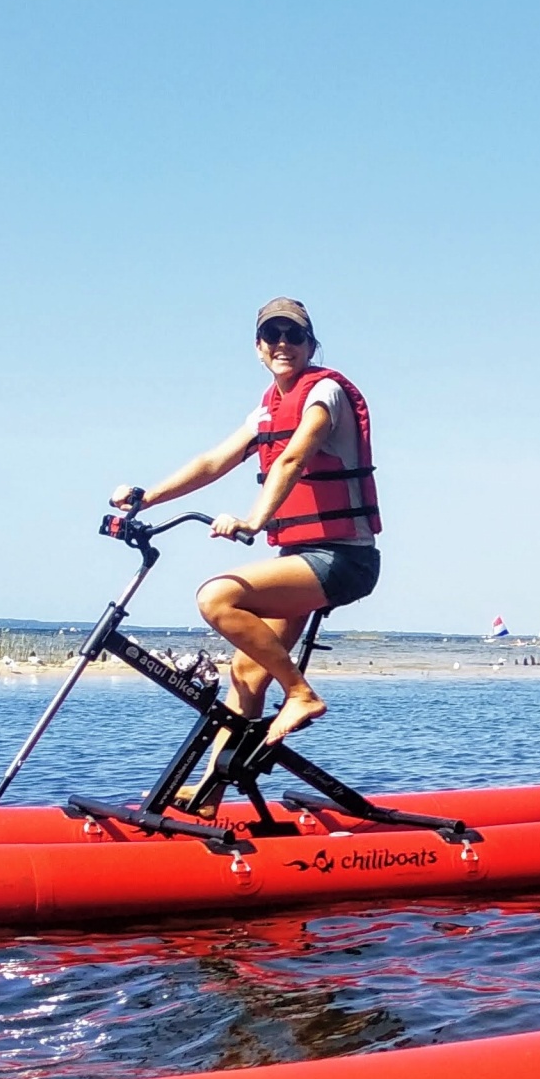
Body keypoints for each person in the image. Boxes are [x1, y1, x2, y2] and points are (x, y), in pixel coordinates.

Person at [111, 298, 381, 745]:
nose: (282, 344)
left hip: (344, 557)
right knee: (245, 674)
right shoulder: (267, 411)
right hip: (299, 555)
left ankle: (300, 694)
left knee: (217, 596)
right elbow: (214, 461)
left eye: (294, 335)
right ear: (258, 348)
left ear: (311, 345)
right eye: (272, 335)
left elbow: (294, 457)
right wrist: (146, 498)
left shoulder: (323, 393)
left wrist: (254, 520)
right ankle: (208, 799)